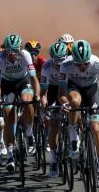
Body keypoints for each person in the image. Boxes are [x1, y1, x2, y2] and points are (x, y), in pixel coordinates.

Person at [59, 40, 99, 188]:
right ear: (73, 60)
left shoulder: (98, 63)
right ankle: (73, 140)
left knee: (95, 128)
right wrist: (65, 103)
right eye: (79, 64)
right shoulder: (66, 65)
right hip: (74, 89)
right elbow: (61, 93)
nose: (82, 67)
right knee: (75, 102)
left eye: (85, 63)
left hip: (91, 90)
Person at [0, 34, 41, 172]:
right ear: (5, 49)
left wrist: (37, 94)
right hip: (7, 85)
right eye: (10, 50)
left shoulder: (25, 54)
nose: (13, 53)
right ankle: (9, 154)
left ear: (20, 49)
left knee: (27, 101)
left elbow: (33, 78)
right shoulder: (0, 58)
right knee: (8, 115)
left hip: (23, 82)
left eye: (16, 50)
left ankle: (29, 133)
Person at [40, 42, 69, 177]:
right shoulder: (46, 67)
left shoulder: (71, 63)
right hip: (52, 90)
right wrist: (45, 102)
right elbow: (44, 91)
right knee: (54, 126)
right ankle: (53, 158)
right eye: (55, 60)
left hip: (68, 88)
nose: (58, 64)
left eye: (61, 60)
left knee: (78, 110)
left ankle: (79, 139)